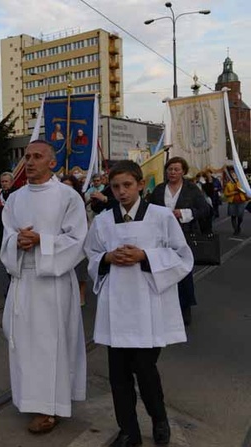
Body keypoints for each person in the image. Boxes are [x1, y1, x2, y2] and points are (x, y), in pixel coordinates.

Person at [84, 160, 192, 447]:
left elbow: (183, 257)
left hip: (149, 307)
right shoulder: (103, 221)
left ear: (141, 185)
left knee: (145, 371)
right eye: (115, 186)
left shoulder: (161, 217)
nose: (121, 192)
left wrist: (146, 256)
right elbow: (92, 255)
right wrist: (107, 258)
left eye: (127, 185)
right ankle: (128, 431)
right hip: (116, 309)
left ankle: (159, 420)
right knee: (118, 375)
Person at [0, 140, 88, 435]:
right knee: (22, 342)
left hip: (53, 282)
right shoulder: (15, 198)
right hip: (24, 279)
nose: (30, 161)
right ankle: (30, 398)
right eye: (27, 156)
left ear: (52, 163)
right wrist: (17, 241)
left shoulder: (68, 197)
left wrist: (42, 241)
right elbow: (7, 235)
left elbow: (78, 240)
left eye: (38, 156)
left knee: (51, 345)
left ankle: (51, 407)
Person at [147, 157, 209, 327]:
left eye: (176, 169)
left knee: (183, 273)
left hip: (185, 236)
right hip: (161, 237)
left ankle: (185, 307)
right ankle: (164, 308)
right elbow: (149, 210)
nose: (172, 172)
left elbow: (204, 209)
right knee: (163, 271)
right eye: (170, 169)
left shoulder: (191, 189)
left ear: (183, 171)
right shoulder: (159, 189)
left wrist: (183, 213)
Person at [62, 175, 88, 306]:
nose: (66, 188)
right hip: (63, 240)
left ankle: (81, 292)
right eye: (64, 185)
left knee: (80, 267)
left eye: (69, 185)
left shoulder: (79, 200)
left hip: (80, 237)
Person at [0, 172, 16, 253]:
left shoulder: (16, 193)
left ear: (12, 182)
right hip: (1, 226)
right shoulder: (0, 194)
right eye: (2, 182)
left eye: (6, 181)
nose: (3, 184)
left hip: (12, 228)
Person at [224, 169, 248, 236]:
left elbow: (245, 191)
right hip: (232, 202)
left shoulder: (241, 182)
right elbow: (226, 194)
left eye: (235, 175)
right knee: (233, 216)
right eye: (232, 175)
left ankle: (238, 225)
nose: (234, 176)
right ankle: (236, 230)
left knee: (240, 216)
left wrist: (237, 184)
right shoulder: (228, 184)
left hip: (241, 201)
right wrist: (234, 192)